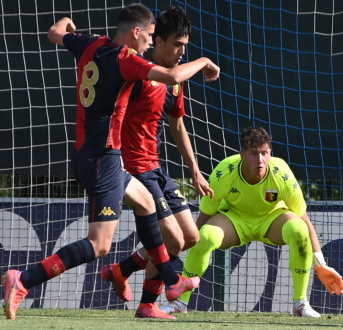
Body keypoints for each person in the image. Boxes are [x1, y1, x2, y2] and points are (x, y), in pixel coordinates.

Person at [2, 3, 220, 320]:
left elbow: (56, 33)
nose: (149, 42)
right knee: (99, 244)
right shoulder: (126, 60)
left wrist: (67, 23)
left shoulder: (89, 44)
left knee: (146, 204)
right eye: (148, 36)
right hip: (104, 159)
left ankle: (170, 283)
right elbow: (172, 75)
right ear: (136, 33)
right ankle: (23, 279)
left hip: (96, 155)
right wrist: (203, 61)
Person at [98, 5, 213, 319]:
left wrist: (195, 170)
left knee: (190, 237)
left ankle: (121, 270)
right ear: (157, 41)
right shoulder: (137, 73)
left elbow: (177, 125)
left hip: (157, 168)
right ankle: (148, 305)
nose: (181, 52)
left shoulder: (175, 83)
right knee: (173, 240)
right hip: (134, 168)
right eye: (177, 45)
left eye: (185, 47)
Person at [176, 126, 343, 317]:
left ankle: (300, 304)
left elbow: (305, 219)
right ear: (242, 155)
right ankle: (180, 303)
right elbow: (205, 216)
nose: (260, 160)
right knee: (205, 235)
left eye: (264, 153)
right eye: (254, 153)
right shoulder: (224, 173)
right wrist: (185, 244)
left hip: (271, 219)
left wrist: (320, 264)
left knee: (299, 229)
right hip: (235, 219)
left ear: (270, 153)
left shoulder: (282, 174)